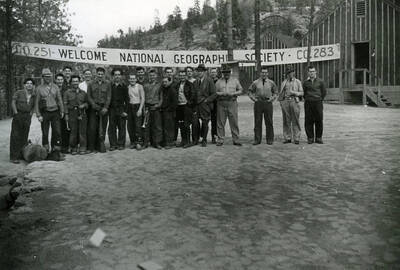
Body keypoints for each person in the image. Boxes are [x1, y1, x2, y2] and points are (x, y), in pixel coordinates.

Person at [35, 68, 64, 152]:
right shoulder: (39, 88)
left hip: (55, 111)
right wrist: (38, 115)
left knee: (57, 131)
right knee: (45, 132)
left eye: (49, 76)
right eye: (46, 76)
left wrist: (62, 110)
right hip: (45, 112)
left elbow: (59, 99)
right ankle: (45, 150)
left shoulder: (55, 87)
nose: (48, 78)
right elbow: (36, 102)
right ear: (43, 77)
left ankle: (56, 150)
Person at [248, 66, 277, 145]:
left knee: (269, 122)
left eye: (265, 72)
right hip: (258, 103)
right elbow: (250, 91)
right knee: (257, 121)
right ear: (260, 73)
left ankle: (270, 139)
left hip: (268, 102)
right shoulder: (255, 82)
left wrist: (272, 99)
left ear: (267, 73)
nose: (264, 74)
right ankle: (257, 139)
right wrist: (254, 99)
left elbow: (275, 92)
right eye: (262, 72)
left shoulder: (271, 82)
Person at [215, 66, 243, 146]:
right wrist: (221, 93)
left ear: (230, 72)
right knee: (220, 122)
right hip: (221, 103)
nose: (226, 74)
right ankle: (220, 139)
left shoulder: (235, 81)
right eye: (224, 72)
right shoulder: (218, 82)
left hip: (232, 102)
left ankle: (236, 139)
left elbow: (241, 90)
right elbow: (214, 92)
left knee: (234, 121)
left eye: (227, 72)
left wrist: (234, 93)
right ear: (222, 73)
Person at [9, 78, 36, 163]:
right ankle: (14, 157)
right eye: (27, 83)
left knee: (24, 135)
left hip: (27, 116)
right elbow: (13, 102)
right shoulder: (19, 92)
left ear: (33, 85)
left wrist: (31, 114)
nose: (29, 85)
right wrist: (16, 113)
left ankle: (21, 154)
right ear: (24, 85)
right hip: (18, 114)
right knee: (15, 135)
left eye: (31, 83)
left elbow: (34, 106)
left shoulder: (34, 95)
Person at [87, 67, 111, 153]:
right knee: (92, 127)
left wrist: (105, 107)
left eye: (102, 74)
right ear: (96, 74)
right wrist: (93, 105)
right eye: (98, 74)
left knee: (102, 128)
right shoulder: (90, 84)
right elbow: (89, 96)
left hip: (103, 108)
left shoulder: (108, 84)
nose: (100, 75)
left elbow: (109, 97)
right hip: (94, 108)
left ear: (104, 75)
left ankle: (100, 144)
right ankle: (92, 147)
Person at [192, 64, 216, 147]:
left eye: (201, 71)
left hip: (205, 105)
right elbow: (194, 94)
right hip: (196, 105)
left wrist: (207, 100)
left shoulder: (209, 81)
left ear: (205, 72)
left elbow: (214, 94)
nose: (199, 73)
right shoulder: (195, 82)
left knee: (205, 122)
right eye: (198, 71)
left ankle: (204, 139)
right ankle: (195, 139)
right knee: (195, 122)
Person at [63, 75, 88, 155]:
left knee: (82, 131)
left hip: (82, 113)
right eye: (73, 81)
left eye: (77, 81)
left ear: (79, 82)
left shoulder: (83, 93)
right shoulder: (67, 93)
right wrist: (66, 114)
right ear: (71, 82)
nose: (75, 83)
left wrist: (84, 105)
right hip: (71, 113)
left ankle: (82, 147)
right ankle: (73, 147)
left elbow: (87, 103)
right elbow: (65, 105)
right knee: (73, 131)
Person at [278, 67, 304, 144]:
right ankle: (287, 137)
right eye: (288, 72)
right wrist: (281, 102)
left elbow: (302, 93)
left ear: (294, 72)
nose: (290, 74)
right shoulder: (284, 82)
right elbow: (281, 93)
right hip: (285, 101)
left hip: (294, 101)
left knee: (295, 120)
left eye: (291, 72)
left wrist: (294, 93)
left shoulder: (298, 82)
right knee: (286, 120)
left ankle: (296, 138)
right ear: (286, 74)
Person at [303, 66, 326, 144]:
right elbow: (304, 93)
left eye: (313, 71)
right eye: (310, 71)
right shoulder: (305, 82)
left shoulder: (320, 81)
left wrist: (319, 99)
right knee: (308, 120)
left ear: (316, 72)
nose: (311, 73)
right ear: (308, 73)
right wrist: (309, 98)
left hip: (318, 103)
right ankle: (310, 138)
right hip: (308, 103)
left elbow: (324, 92)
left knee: (319, 120)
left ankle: (318, 138)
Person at [108, 68, 129, 151]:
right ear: (113, 76)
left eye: (118, 75)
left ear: (121, 76)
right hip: (112, 109)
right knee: (112, 127)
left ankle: (121, 144)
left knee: (122, 127)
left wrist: (125, 111)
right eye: (115, 75)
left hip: (121, 109)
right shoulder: (110, 86)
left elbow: (127, 100)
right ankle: (113, 144)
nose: (117, 76)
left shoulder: (124, 86)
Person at [175, 69, 196, 148]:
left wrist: (189, 104)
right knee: (181, 124)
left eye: (183, 75)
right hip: (179, 106)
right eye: (180, 75)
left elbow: (193, 95)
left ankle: (188, 141)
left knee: (186, 124)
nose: (182, 77)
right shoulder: (177, 85)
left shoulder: (190, 84)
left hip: (186, 106)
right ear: (179, 76)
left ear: (186, 76)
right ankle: (183, 140)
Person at [143, 69, 163, 149]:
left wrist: (158, 105)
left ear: (156, 76)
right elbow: (143, 97)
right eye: (150, 75)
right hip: (147, 107)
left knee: (157, 126)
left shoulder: (159, 85)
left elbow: (161, 97)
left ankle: (157, 142)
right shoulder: (145, 85)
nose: (152, 77)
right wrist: (144, 108)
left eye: (153, 75)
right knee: (146, 126)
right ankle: (146, 142)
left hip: (156, 107)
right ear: (148, 76)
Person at [127, 74, 145, 150]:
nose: (132, 80)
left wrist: (140, 109)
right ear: (129, 80)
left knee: (138, 125)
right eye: (131, 79)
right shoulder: (128, 87)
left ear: (136, 79)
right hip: (130, 107)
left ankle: (139, 142)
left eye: (133, 78)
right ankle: (133, 142)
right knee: (130, 126)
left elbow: (143, 98)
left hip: (138, 106)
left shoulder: (140, 86)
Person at [160, 76, 178, 149]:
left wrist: (169, 109)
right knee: (165, 127)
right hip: (164, 111)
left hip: (169, 112)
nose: (164, 83)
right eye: (163, 82)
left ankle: (169, 143)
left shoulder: (172, 90)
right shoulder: (163, 89)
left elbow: (175, 103)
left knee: (169, 128)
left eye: (166, 82)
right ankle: (165, 142)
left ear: (170, 82)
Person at [55, 73, 70, 154]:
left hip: (65, 111)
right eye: (58, 79)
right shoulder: (53, 88)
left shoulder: (66, 89)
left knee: (65, 129)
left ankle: (65, 147)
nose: (59, 81)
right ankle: (56, 147)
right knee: (56, 130)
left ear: (63, 80)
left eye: (61, 79)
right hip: (55, 112)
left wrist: (65, 112)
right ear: (55, 80)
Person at [209, 68, 219, 144]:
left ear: (216, 73)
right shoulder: (208, 81)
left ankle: (217, 136)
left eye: (214, 72)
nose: (213, 73)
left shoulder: (219, 81)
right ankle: (213, 136)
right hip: (209, 103)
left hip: (218, 103)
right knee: (212, 120)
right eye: (212, 72)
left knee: (217, 121)